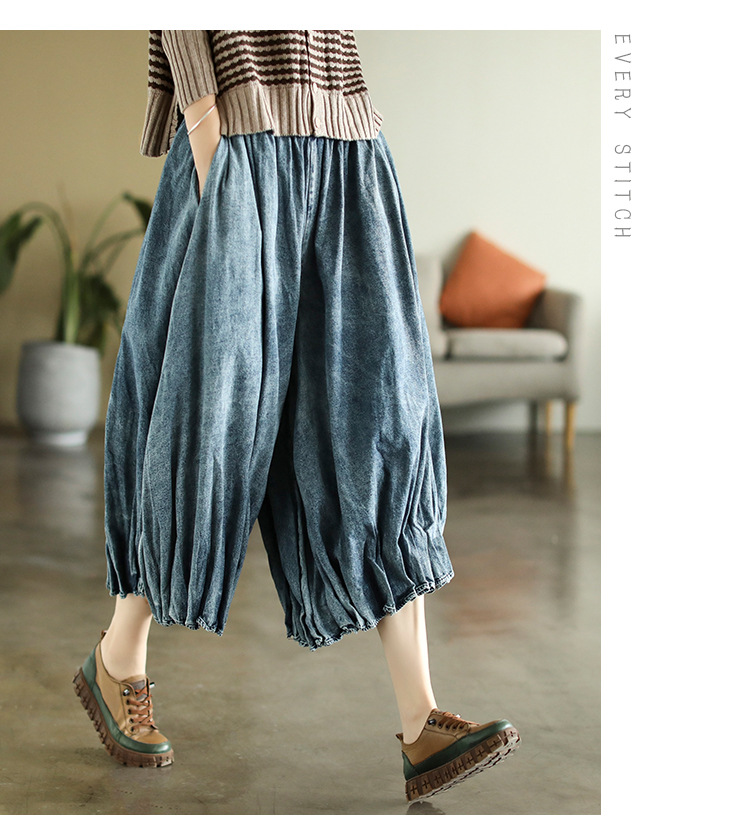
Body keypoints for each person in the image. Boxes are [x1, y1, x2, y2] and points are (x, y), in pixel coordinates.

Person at [72, 30, 520, 803]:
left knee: (378, 419)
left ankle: (420, 721)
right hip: (239, 140)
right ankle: (119, 657)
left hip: (347, 147)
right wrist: (207, 130)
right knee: (205, 416)